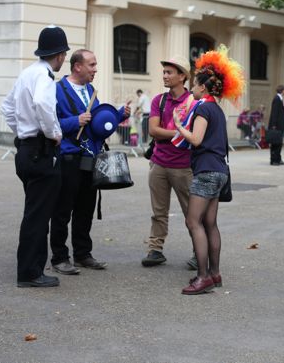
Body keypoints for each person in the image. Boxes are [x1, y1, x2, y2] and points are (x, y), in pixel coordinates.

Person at [50, 49, 130, 275]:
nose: (95, 69)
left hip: (90, 157)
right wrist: (75, 121)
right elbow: (50, 124)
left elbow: (97, 126)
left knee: (86, 208)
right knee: (63, 209)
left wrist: (118, 115)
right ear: (77, 66)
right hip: (68, 158)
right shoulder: (57, 90)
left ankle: (83, 254)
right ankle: (59, 257)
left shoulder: (91, 91)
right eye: (92, 65)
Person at [172, 46, 244, 294]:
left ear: (203, 87)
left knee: (193, 221)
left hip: (206, 170)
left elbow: (196, 139)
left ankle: (202, 277)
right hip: (220, 171)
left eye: (194, 83)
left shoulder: (202, 108)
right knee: (210, 223)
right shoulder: (217, 110)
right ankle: (215, 274)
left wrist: (180, 126)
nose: (192, 87)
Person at [2, 25, 68, 288]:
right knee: (39, 216)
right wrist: (54, 133)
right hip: (41, 151)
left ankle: (31, 268)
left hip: (26, 150)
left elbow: (7, 107)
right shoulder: (45, 77)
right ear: (61, 54)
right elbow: (42, 104)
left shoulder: (27, 73)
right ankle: (30, 272)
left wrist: (21, 132)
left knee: (34, 211)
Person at [142, 56, 195, 268]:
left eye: (169, 72)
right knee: (158, 212)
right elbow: (153, 130)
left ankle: (198, 251)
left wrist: (172, 134)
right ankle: (155, 249)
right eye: (164, 72)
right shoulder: (159, 100)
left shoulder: (193, 102)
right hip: (159, 163)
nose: (164, 76)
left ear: (182, 76)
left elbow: (197, 134)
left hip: (184, 166)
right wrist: (180, 132)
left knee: (192, 213)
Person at [268, 85, 284, 165]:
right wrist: (274, 125)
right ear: (282, 91)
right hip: (277, 126)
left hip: (279, 125)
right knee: (275, 143)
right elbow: (274, 113)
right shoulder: (277, 99)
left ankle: (278, 159)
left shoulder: (279, 99)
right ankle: (274, 160)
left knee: (279, 143)